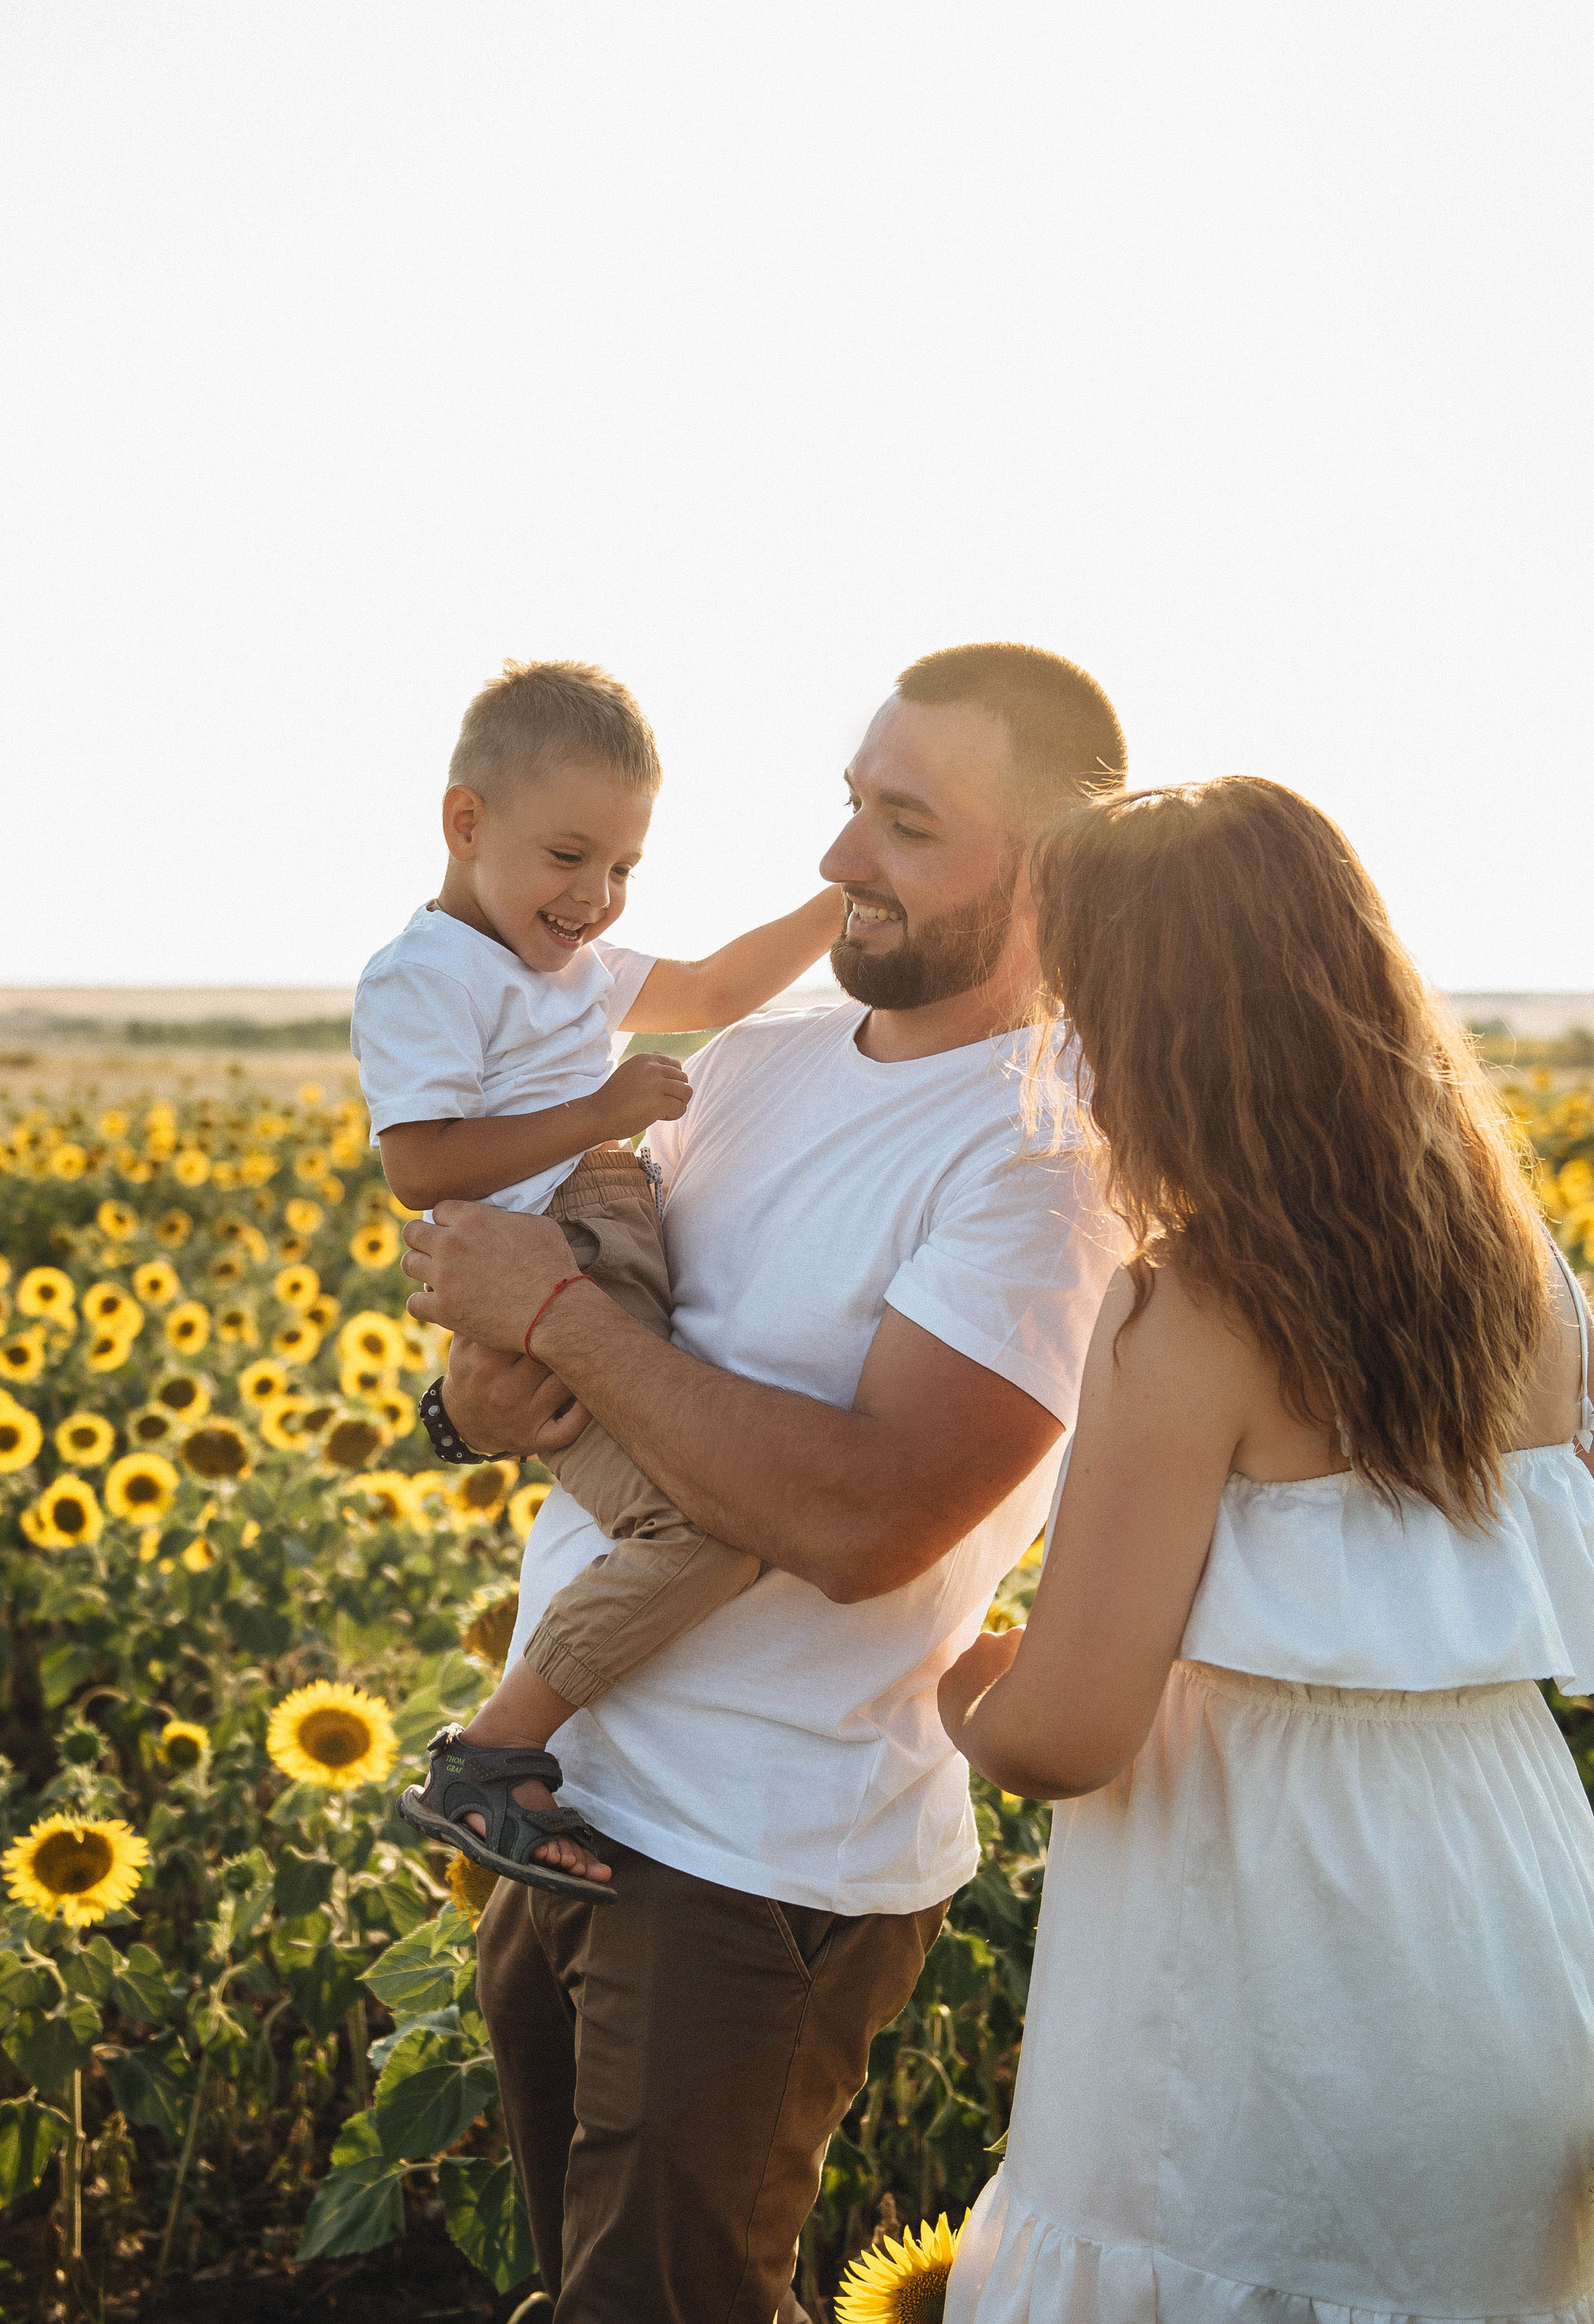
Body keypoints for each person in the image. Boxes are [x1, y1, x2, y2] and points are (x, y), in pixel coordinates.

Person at [397, 642, 1127, 2323]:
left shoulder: (1046, 1152)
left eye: (902, 822)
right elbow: (537, 1311)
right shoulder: (761, 1055)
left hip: (754, 1863)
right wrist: (493, 1374)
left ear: (1052, 871)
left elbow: (863, 1519)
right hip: (566, 1801)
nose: (838, 860)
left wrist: (564, 1326)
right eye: (848, 804)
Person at [940, 777, 1594, 2321]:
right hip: (1513, 1912)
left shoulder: (1191, 1311)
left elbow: (1067, 1733)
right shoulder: (1525, 1273)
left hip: (1271, 1968)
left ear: (1145, 1029)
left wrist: (938, 1674)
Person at [351, 657, 843, 1901]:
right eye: (569, 857)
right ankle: (495, 1748)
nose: (597, 898)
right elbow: (420, 1168)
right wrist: (596, 1112)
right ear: (467, 824)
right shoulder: (424, 975)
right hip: (551, 1272)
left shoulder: (575, 971)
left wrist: (837, 899)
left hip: (603, 1241)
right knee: (714, 1519)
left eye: (624, 868)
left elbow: (722, 990)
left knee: (726, 1490)